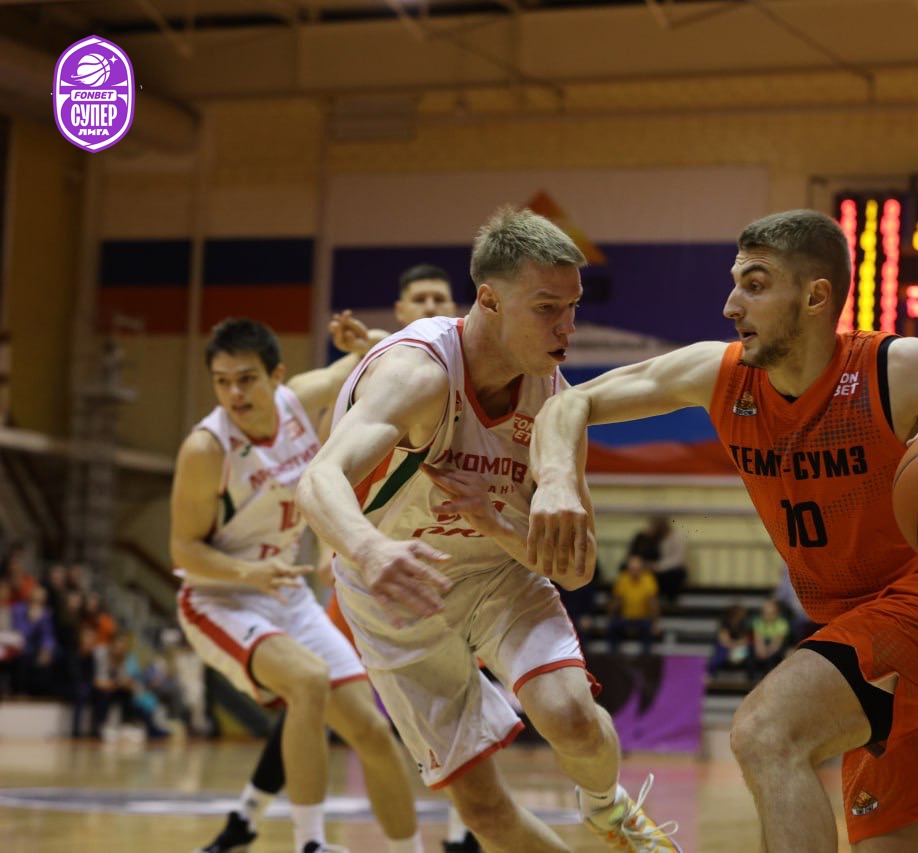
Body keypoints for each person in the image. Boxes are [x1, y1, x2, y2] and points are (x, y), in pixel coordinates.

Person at [527, 209, 918, 852]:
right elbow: (570, 402)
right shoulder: (719, 375)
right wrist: (556, 481)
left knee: (765, 732)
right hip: (860, 631)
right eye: (734, 283)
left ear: (815, 297)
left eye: (755, 285)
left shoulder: (902, 368)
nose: (731, 305)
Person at [296, 206, 680, 852]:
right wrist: (370, 548)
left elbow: (578, 569)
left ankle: (608, 809)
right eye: (547, 308)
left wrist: (496, 520)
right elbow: (318, 478)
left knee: (572, 717)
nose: (567, 328)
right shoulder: (420, 375)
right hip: (396, 590)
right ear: (490, 301)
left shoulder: (555, 400)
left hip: (498, 574)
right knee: (482, 808)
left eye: (573, 308)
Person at [199, 268, 479, 853]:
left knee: (455, 694)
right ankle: (254, 817)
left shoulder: (469, 383)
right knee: (313, 694)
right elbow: (332, 473)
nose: (430, 305)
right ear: (400, 311)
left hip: (438, 563)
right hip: (365, 563)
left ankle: (462, 830)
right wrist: (334, 547)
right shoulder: (366, 383)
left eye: (439, 298)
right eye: (419, 299)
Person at [171, 317, 423, 853]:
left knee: (374, 732)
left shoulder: (301, 401)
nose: (234, 394)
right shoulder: (205, 449)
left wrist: (364, 342)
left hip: (284, 593)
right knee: (307, 682)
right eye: (222, 382)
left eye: (246, 379)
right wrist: (249, 574)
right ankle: (310, 844)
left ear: (276, 376)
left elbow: (378, 360)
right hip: (219, 598)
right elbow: (183, 550)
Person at [607, 554, 661, 655]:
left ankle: (646, 659)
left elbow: (653, 603)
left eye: (637, 569)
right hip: (625, 618)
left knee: (648, 629)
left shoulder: (648, 579)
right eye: (632, 569)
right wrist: (611, 614)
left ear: (642, 569)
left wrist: (655, 622)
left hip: (643, 618)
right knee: (612, 626)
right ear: (628, 569)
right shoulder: (623, 579)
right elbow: (615, 602)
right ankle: (613, 657)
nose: (635, 572)